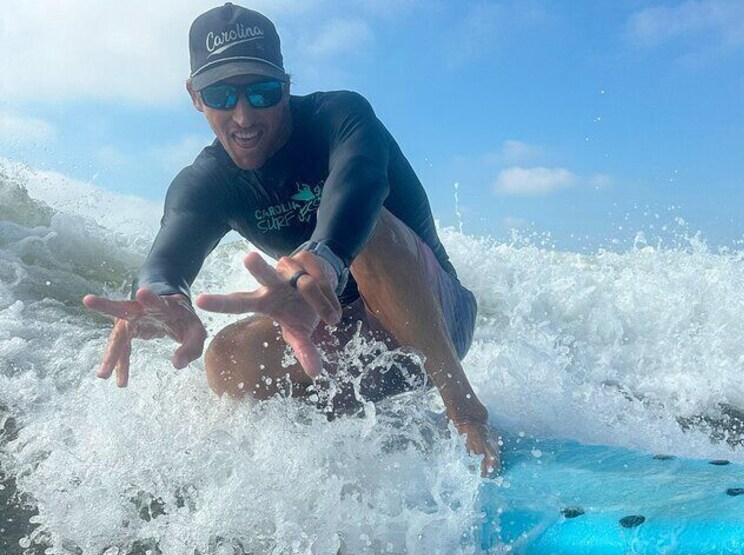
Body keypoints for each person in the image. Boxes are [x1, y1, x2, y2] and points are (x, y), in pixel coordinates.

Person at [82, 3, 500, 476]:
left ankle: (467, 416)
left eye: (261, 93)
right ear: (194, 96)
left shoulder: (340, 116)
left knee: (372, 231)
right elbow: (169, 255)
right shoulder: (205, 182)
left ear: (285, 86)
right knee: (227, 358)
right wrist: (162, 295)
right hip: (355, 343)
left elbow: (361, 181)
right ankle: (349, 446)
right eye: (220, 94)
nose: (243, 116)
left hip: (440, 323)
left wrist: (324, 255)